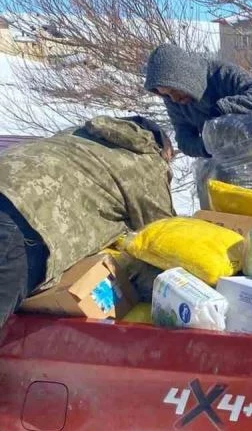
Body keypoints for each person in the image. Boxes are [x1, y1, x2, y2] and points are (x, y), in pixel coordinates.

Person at [0, 116, 175, 326]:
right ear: (163, 150)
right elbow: (164, 237)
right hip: (25, 223)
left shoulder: (76, 135)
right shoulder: (147, 160)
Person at [144, 42, 252, 158]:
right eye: (166, 94)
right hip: (224, 161)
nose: (174, 98)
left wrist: (224, 110)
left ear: (185, 79)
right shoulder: (173, 100)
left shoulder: (221, 73)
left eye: (174, 91)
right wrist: (209, 145)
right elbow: (183, 138)